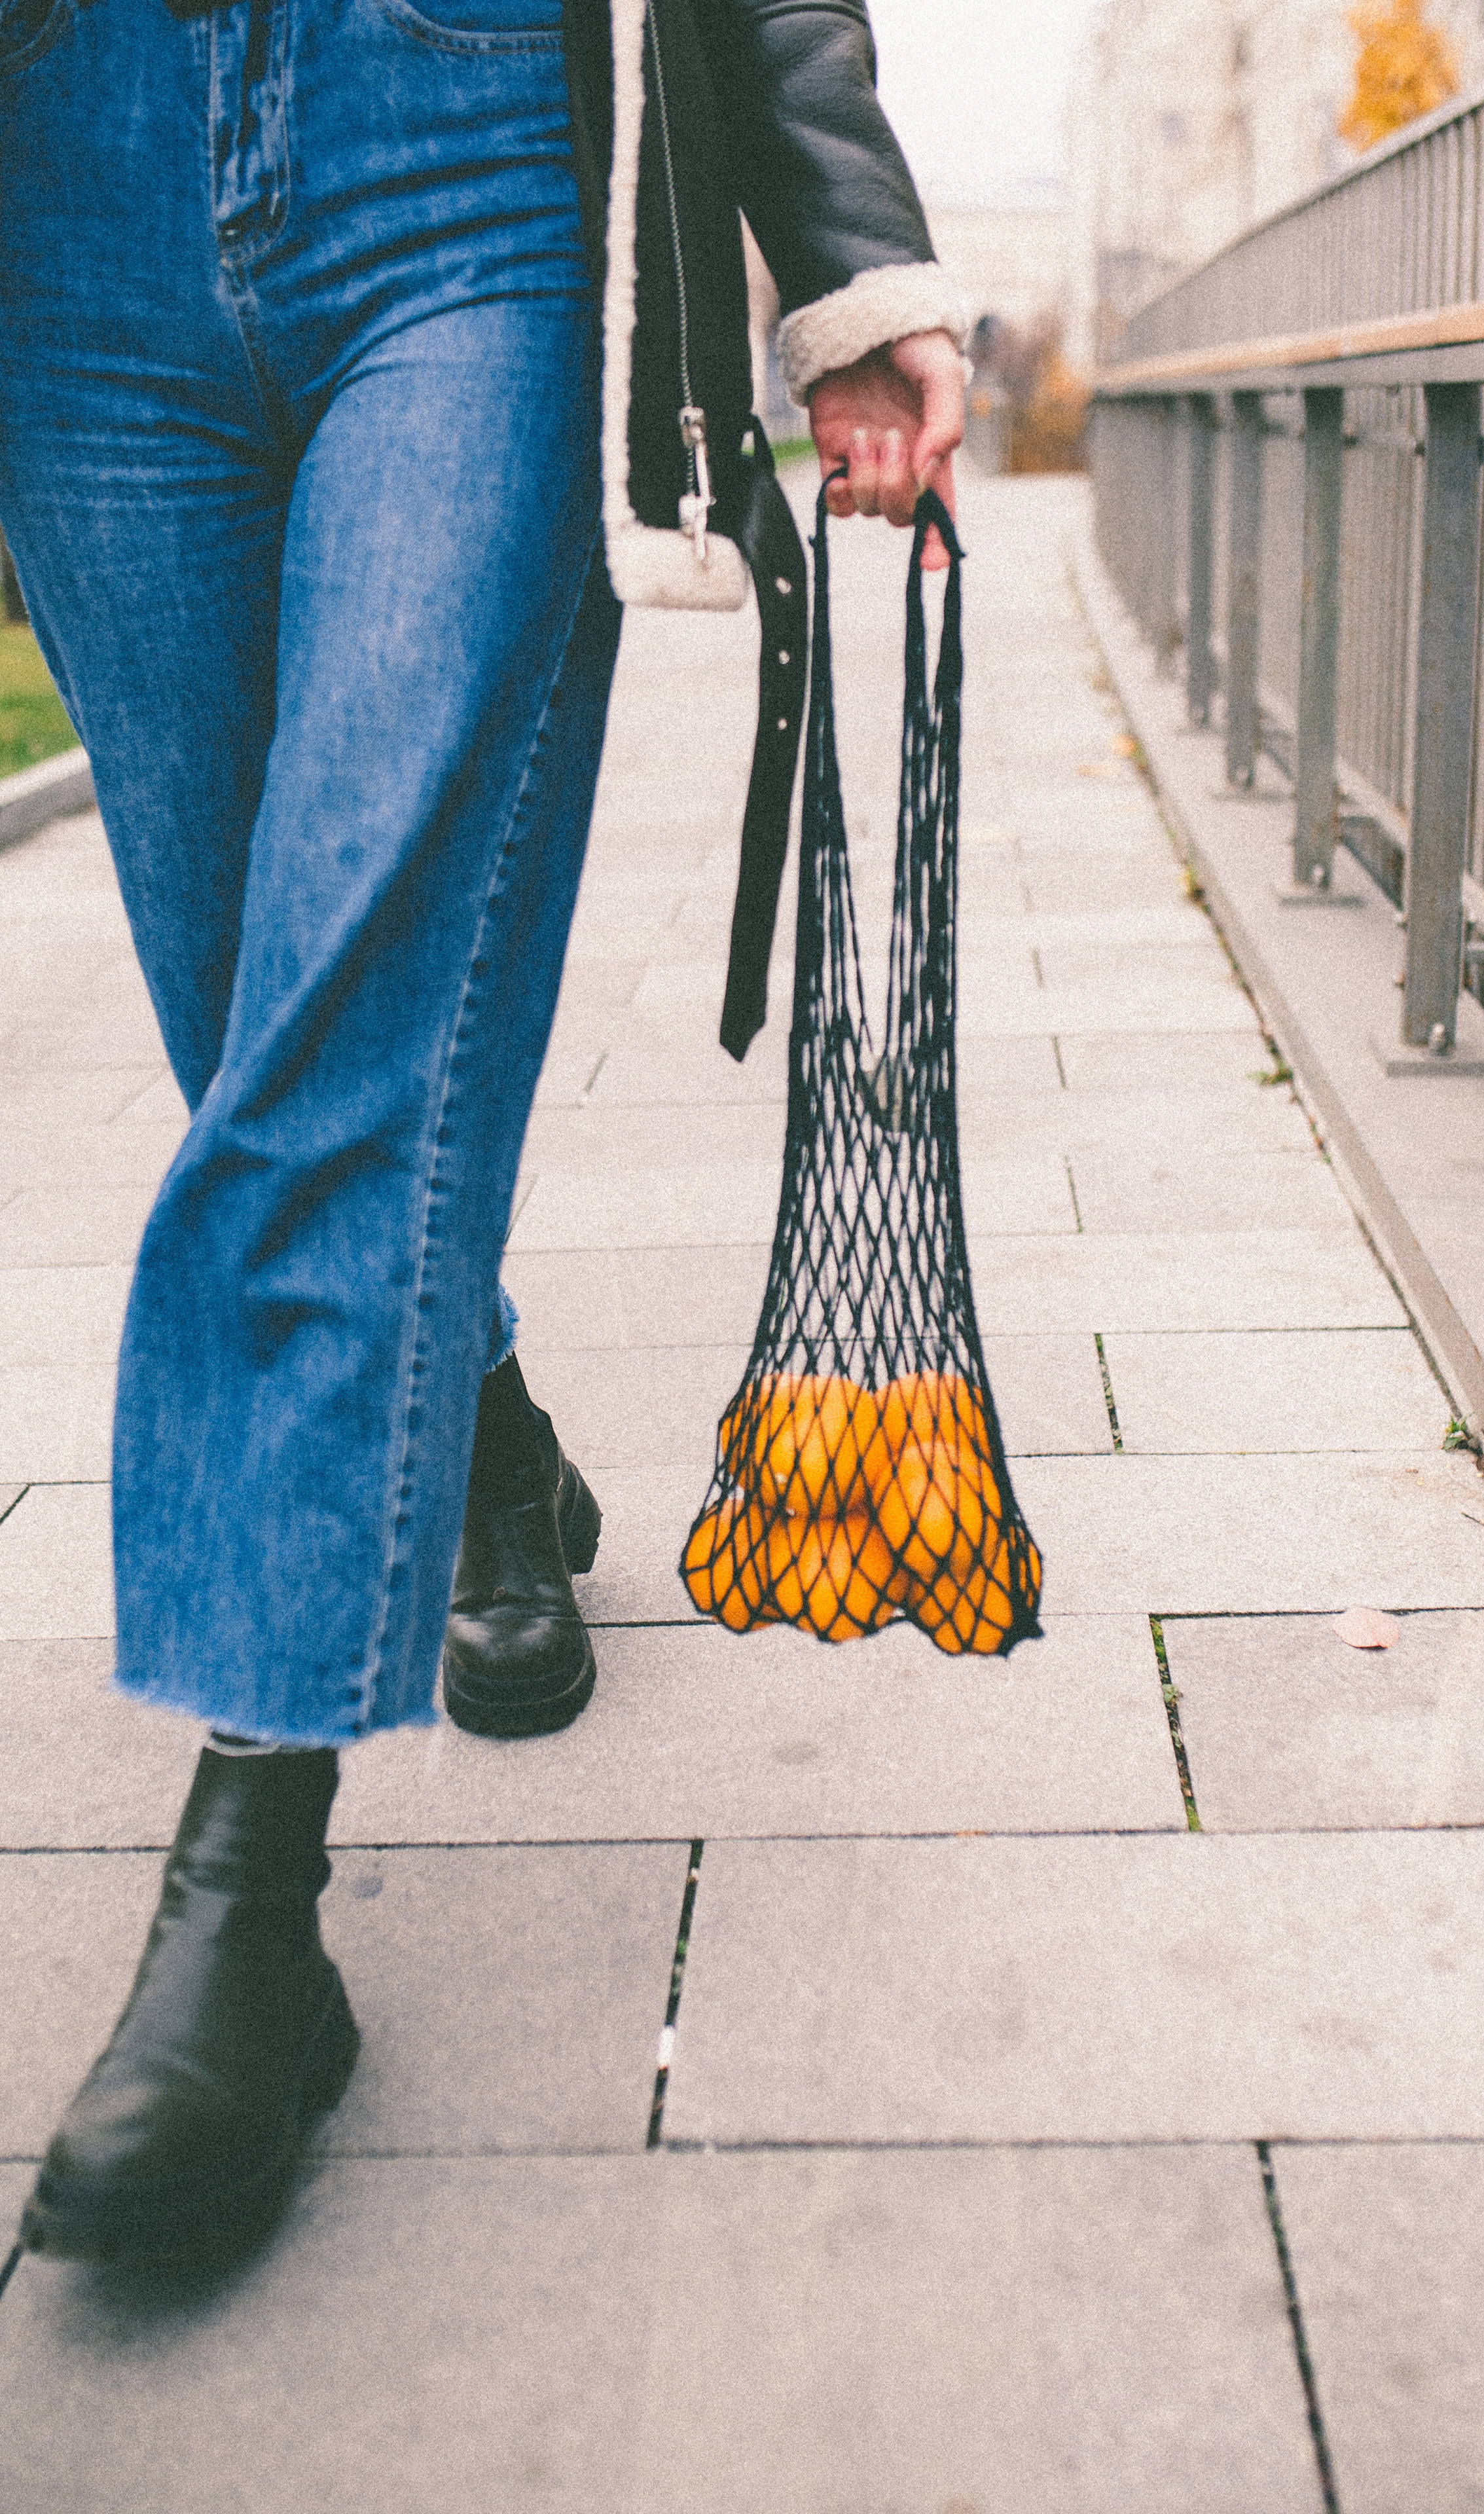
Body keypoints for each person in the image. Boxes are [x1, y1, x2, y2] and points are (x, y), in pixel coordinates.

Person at [0, 0, 964, 2266]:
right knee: (251, 1003)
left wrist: (846, 248)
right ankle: (486, 1434)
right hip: (75, 159)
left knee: (342, 1026)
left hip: (465, 152)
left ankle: (252, 1892)